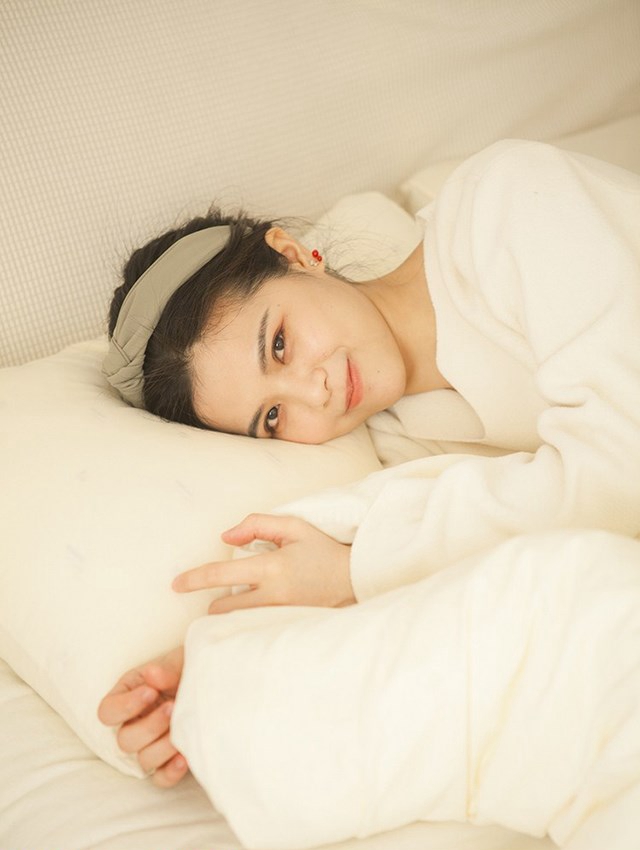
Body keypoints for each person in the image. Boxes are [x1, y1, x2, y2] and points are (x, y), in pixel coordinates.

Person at [99, 139, 640, 788]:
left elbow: (622, 467)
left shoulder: (510, 203)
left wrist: (355, 567)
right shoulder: (397, 440)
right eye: (272, 417)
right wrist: (204, 675)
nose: (314, 393)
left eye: (280, 344)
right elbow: (408, 578)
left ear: (295, 254)